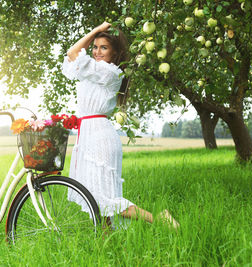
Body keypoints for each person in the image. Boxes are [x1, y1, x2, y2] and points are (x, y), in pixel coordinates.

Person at [62, 22, 179, 229]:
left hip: (99, 137)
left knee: (107, 199)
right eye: (95, 47)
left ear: (115, 53)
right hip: (89, 135)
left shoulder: (109, 72)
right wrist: (98, 36)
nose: (97, 52)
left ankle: (160, 220)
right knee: (97, 199)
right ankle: (108, 242)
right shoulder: (95, 71)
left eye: (103, 47)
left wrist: (96, 30)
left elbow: (73, 53)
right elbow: (72, 61)